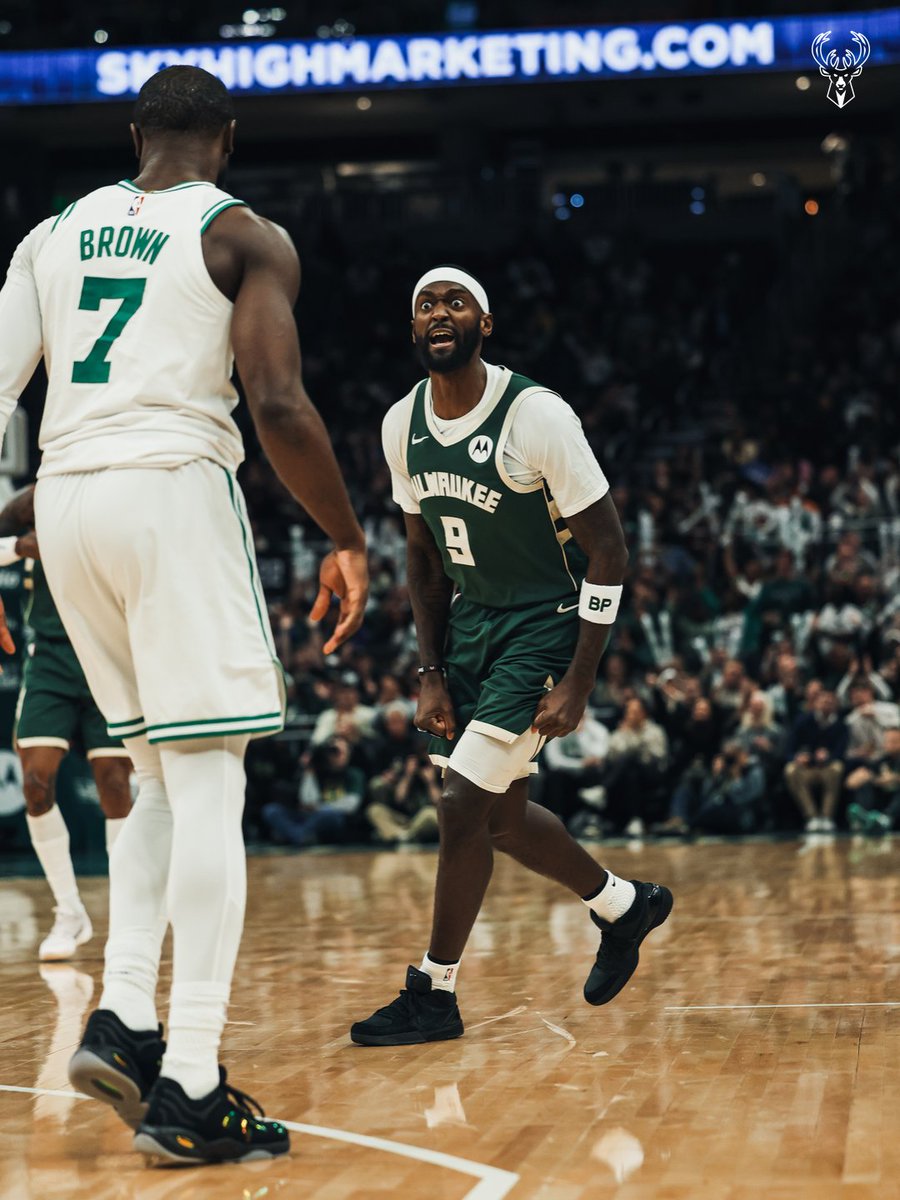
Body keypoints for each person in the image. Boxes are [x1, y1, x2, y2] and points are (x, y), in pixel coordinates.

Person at [0, 66, 368, 1164]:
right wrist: (347, 534)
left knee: (153, 775)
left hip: (62, 510)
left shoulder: (50, 236)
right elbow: (278, 403)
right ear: (229, 140)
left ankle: (124, 1017)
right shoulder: (243, 236)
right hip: (168, 491)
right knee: (210, 784)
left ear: (133, 137)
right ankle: (193, 1082)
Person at [350, 265, 672, 1048]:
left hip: (545, 626)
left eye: (456, 301)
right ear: (413, 325)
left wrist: (580, 679)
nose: (439, 312)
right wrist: (429, 667)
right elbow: (421, 559)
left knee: (461, 804)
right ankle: (623, 907)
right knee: (497, 818)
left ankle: (434, 991)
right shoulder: (402, 424)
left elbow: (611, 551)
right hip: (469, 629)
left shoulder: (536, 416)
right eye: (425, 302)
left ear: (483, 324)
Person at [0, 485, 132, 961]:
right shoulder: (38, 497)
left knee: (116, 785)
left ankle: (127, 917)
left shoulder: (124, 493)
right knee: (35, 782)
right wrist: (18, 546)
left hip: (111, 653)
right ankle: (69, 912)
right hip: (51, 657)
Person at [783, 691, 848, 833]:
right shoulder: (803, 721)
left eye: (830, 702)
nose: (826, 705)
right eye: (823, 702)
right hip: (807, 769)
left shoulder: (840, 725)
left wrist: (828, 757)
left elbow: (841, 753)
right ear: (815, 703)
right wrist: (798, 757)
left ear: (836, 705)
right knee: (790, 770)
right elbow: (788, 749)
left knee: (838, 768)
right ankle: (811, 816)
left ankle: (826, 817)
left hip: (827, 768)